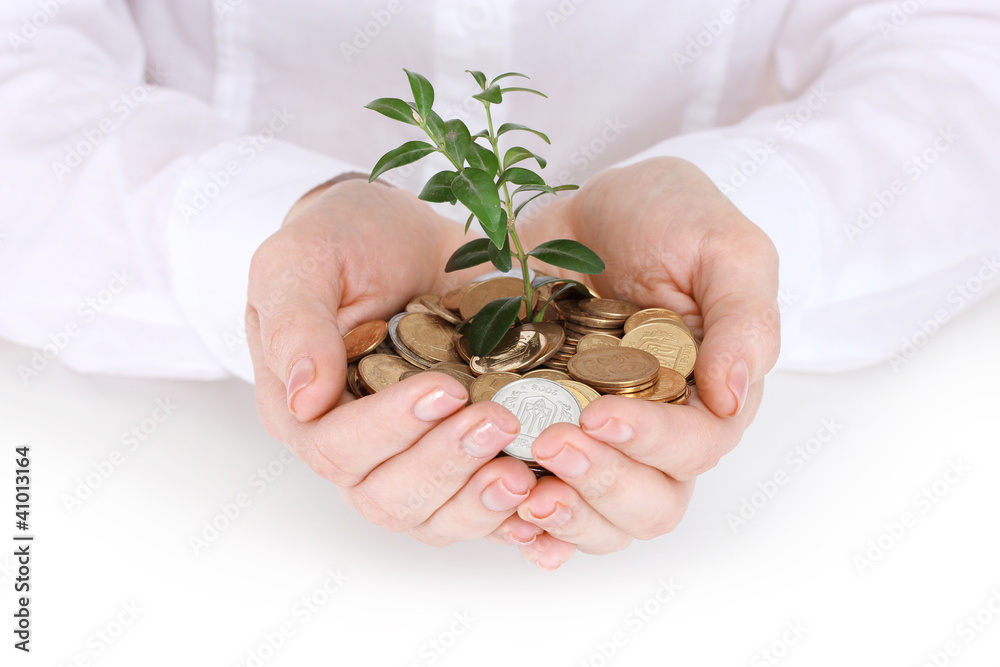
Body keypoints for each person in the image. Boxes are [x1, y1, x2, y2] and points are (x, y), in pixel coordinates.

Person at [2, 1, 998, 570]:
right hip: (129, 476)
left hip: (838, 478)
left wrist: (756, 224)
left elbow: (964, 47)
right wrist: (256, 232)